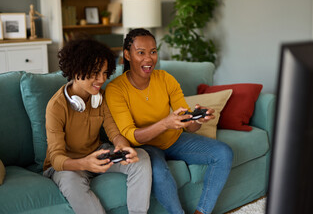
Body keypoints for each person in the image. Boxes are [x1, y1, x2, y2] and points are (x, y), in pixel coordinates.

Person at [105, 28, 233, 214]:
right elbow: (131, 136)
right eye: (141, 53)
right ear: (127, 55)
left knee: (224, 152)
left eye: (153, 52)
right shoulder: (116, 89)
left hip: (175, 140)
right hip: (145, 147)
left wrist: (198, 118)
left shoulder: (166, 79)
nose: (149, 59)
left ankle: (202, 212)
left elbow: (190, 126)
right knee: (159, 173)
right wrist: (165, 123)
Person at [42, 37, 152, 214]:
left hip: (97, 154)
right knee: (70, 182)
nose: (101, 79)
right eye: (95, 73)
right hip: (68, 164)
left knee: (141, 158)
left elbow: (114, 132)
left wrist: (123, 148)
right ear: (76, 70)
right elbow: (56, 159)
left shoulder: (100, 97)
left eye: (104, 73)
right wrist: (84, 163)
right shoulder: (56, 106)